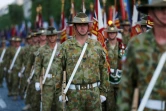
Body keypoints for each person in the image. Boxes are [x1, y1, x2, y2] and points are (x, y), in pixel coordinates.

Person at [55, 12, 110, 111]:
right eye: (79, 25)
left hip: (93, 93)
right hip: (73, 95)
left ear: (88, 27)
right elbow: (58, 70)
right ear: (74, 27)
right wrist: (60, 92)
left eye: (85, 25)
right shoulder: (66, 46)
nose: (82, 27)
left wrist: (103, 92)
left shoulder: (96, 45)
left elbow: (104, 69)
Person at [117, 0, 166, 111]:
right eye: (160, 8)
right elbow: (126, 88)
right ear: (151, 13)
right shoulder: (137, 45)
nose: (164, 12)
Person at [35, 26, 61, 111]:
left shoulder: (62, 49)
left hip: (60, 83)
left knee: (60, 107)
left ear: (56, 36)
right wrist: (37, 81)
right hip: (47, 83)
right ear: (47, 36)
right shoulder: (42, 50)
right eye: (50, 35)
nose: (52, 37)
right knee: (46, 107)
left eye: (53, 35)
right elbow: (38, 66)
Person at [103, 24, 126, 111]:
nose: (112, 34)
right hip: (108, 80)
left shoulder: (122, 46)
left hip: (120, 79)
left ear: (116, 33)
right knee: (110, 106)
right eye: (110, 33)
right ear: (107, 34)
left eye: (113, 32)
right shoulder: (104, 47)